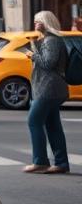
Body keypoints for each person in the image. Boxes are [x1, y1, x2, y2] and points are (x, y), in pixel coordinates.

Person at [24, 11, 70, 173]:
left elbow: (48, 63)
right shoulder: (49, 40)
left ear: (46, 22)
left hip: (49, 88)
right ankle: (61, 164)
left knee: (34, 121)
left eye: (38, 21)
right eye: (35, 21)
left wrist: (32, 54)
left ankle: (41, 161)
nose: (35, 24)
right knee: (53, 126)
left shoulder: (51, 40)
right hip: (50, 88)